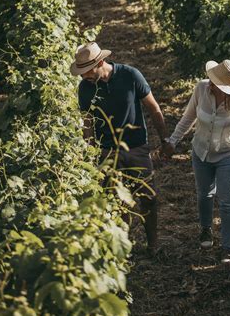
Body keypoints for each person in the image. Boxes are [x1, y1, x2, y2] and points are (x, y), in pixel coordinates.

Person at [71, 41, 168, 255]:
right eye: (81, 72)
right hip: (107, 151)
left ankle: (153, 245)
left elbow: (153, 107)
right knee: (115, 202)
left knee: (148, 198)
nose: (83, 76)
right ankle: (123, 248)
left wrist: (165, 140)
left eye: (86, 71)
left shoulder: (130, 75)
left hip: (136, 148)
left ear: (101, 62)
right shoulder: (85, 88)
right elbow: (87, 123)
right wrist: (91, 154)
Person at [162, 59, 230, 266]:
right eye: (212, 79)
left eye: (216, 83)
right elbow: (188, 117)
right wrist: (173, 141)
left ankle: (228, 249)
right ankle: (205, 229)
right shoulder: (202, 88)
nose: (211, 84)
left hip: (228, 153)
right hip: (201, 150)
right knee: (204, 193)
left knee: (228, 202)